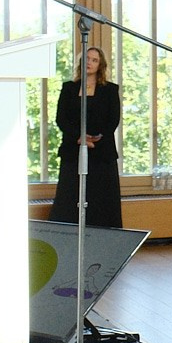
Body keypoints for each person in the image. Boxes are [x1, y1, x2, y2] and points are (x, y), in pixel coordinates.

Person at [51, 45, 124, 228]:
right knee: (70, 196)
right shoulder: (68, 88)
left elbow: (113, 120)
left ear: (101, 65)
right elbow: (61, 119)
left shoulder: (110, 90)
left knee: (101, 199)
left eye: (94, 60)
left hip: (102, 152)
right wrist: (79, 138)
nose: (90, 63)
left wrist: (95, 138)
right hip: (73, 150)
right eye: (87, 59)